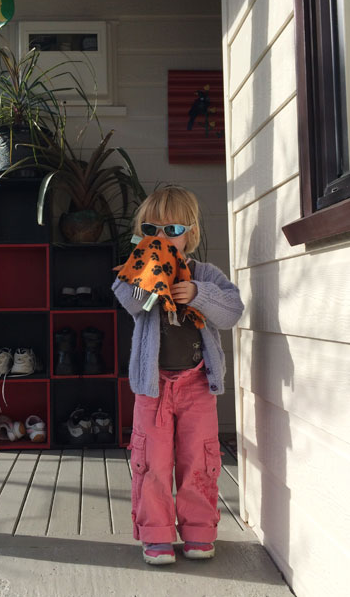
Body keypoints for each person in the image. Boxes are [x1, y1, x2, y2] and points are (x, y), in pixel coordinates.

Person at [111, 185, 244, 566]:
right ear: (140, 234)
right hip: (153, 388)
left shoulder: (205, 274)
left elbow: (232, 311)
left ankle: (199, 531)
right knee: (152, 462)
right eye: (151, 229)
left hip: (197, 385)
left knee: (198, 460)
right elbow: (129, 300)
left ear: (191, 234)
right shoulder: (138, 269)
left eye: (172, 231)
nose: (162, 237)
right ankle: (155, 535)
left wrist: (199, 293)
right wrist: (151, 273)